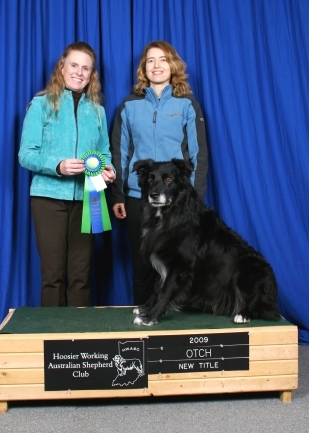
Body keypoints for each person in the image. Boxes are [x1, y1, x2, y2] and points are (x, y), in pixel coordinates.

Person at [111, 40, 208, 306]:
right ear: (144, 67)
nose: (157, 65)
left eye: (163, 59)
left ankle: (169, 324)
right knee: (143, 265)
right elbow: (119, 154)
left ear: (173, 65)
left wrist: (195, 198)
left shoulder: (187, 104)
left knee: (174, 262)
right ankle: (143, 318)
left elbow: (199, 154)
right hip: (137, 197)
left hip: (177, 200)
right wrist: (118, 195)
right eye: (151, 60)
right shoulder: (129, 106)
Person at [19, 42, 115, 307]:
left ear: (91, 74)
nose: (79, 72)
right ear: (62, 67)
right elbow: (25, 154)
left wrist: (108, 170)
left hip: (89, 198)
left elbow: (104, 153)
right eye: (74, 65)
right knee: (53, 275)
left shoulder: (97, 111)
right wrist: (58, 166)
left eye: (86, 68)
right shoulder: (41, 104)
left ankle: (80, 338)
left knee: (81, 275)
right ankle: (53, 338)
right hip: (48, 198)